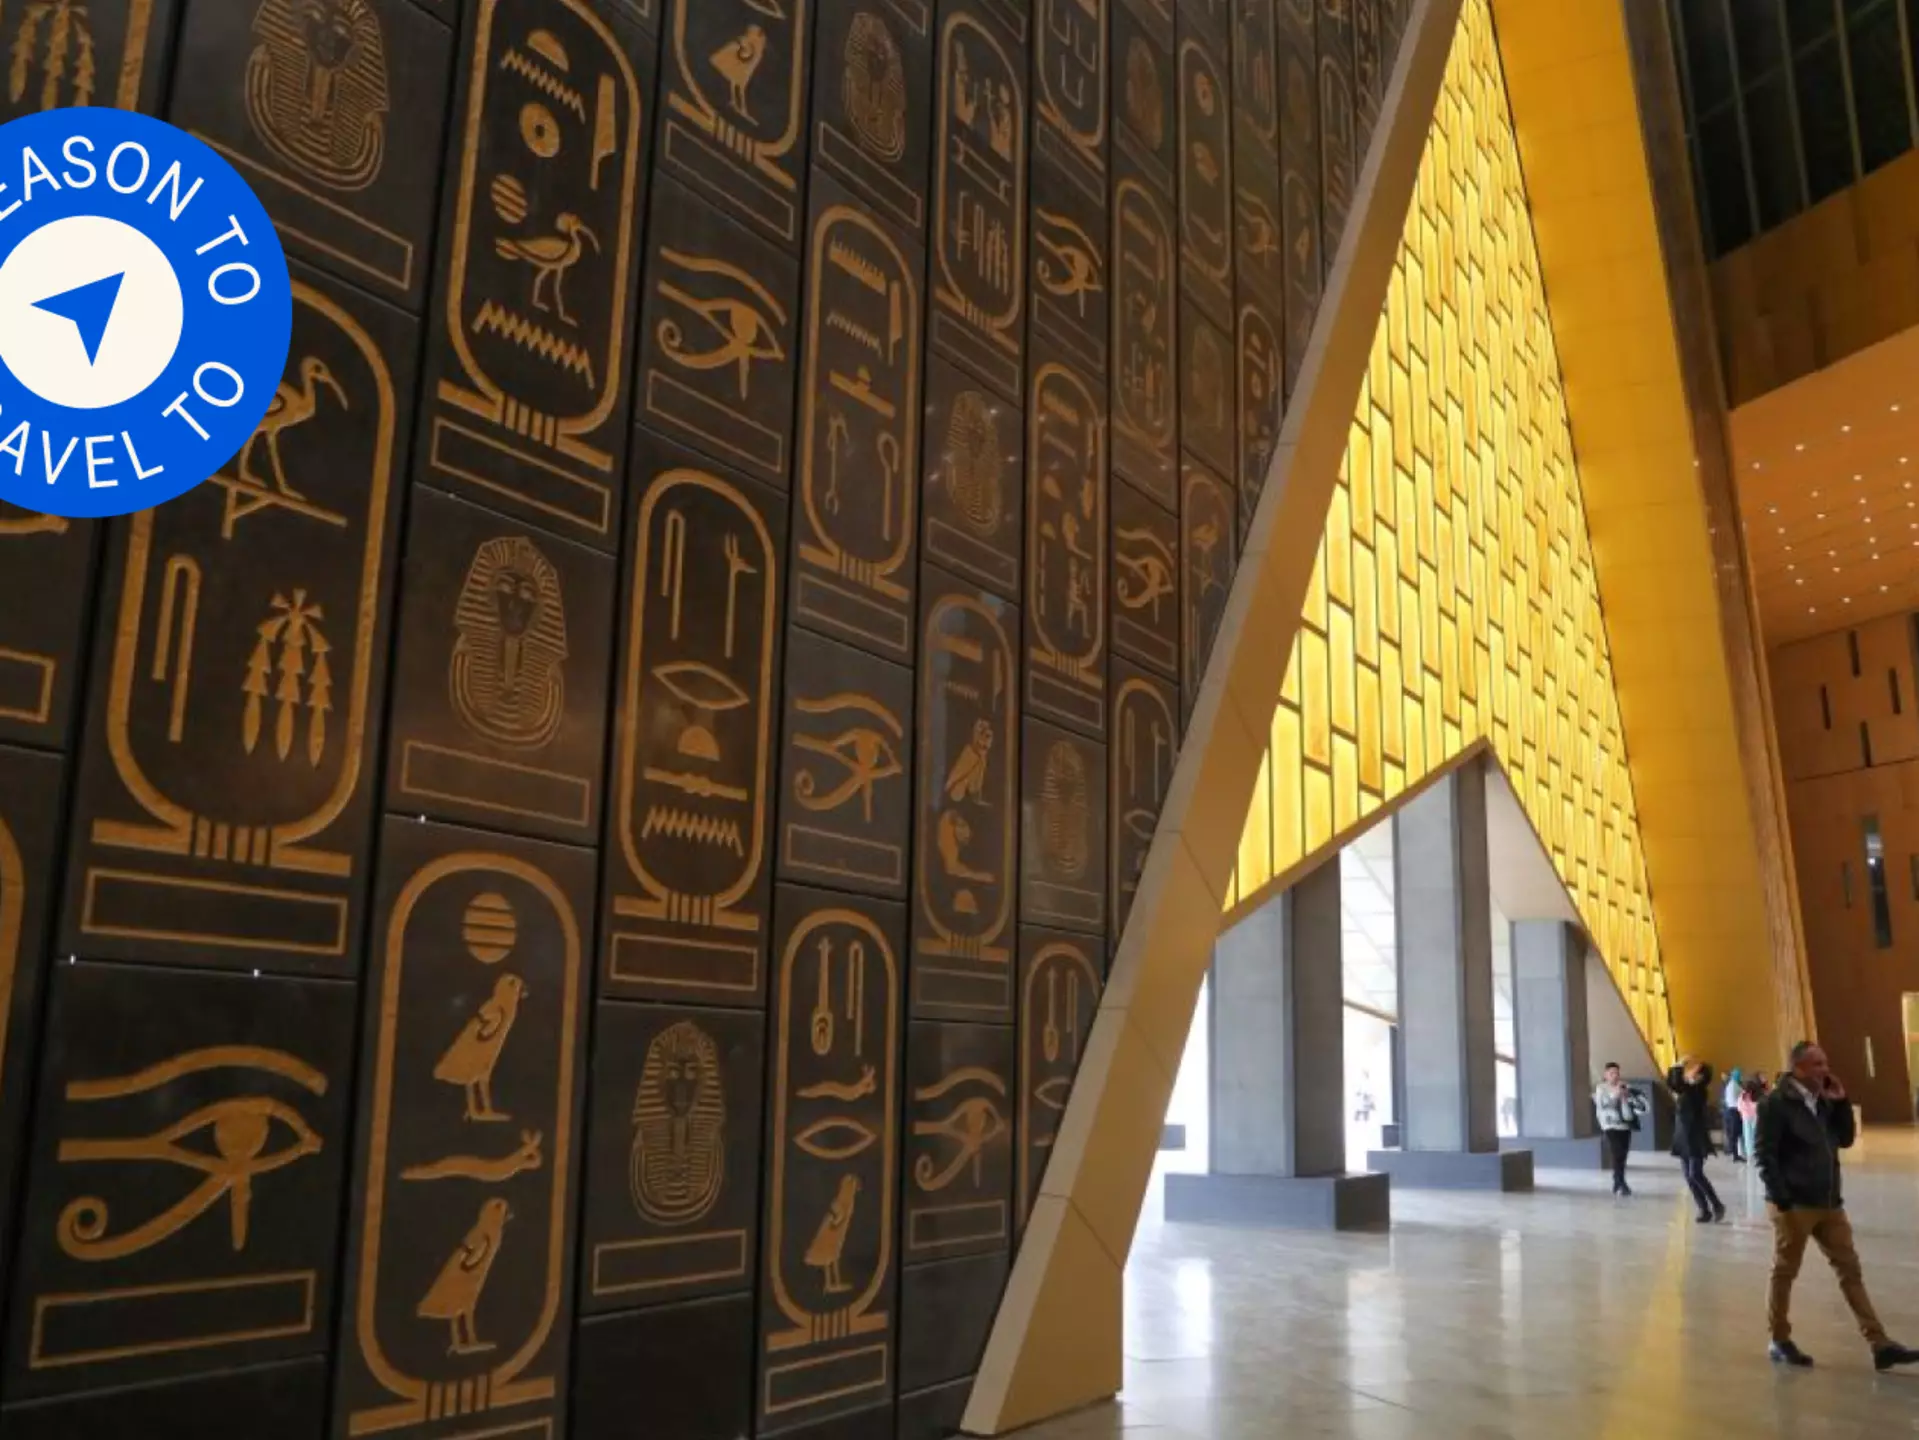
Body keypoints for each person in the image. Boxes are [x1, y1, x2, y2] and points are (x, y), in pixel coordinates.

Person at [1756, 1041, 1919, 1371]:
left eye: (1825, 1062)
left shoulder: (1822, 1101)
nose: (1825, 1070)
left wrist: (1841, 1102)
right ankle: (1779, 1338)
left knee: (1850, 1271)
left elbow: (1844, 1139)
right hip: (1795, 1204)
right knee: (1785, 1272)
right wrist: (1782, 1198)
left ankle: (1879, 1344)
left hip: (1830, 1202)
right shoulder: (1776, 1104)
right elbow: (1764, 1154)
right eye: (1817, 1064)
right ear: (1798, 1068)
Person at [1668, 1055, 1726, 1222]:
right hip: (1682, 1136)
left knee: (1695, 1173)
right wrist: (1678, 1066)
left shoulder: (1698, 1090)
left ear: (1701, 1076)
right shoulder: (1686, 1088)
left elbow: (1678, 1085)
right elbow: (1673, 1083)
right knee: (1688, 1176)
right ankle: (1703, 1209)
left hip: (1696, 1137)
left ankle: (1716, 1204)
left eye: (1694, 1071)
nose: (1690, 1073)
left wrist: (1679, 1068)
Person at [1594, 1062, 1647, 1196]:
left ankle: (1618, 1181)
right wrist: (1615, 1095)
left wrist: (1627, 1095)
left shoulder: (1624, 1086)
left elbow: (1632, 1104)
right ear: (1605, 1075)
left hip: (1625, 1124)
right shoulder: (1601, 1088)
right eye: (1611, 1073)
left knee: (1623, 1154)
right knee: (1617, 1152)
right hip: (1610, 1125)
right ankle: (1620, 1182)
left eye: (1617, 1073)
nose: (1615, 1076)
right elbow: (1603, 1105)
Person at [1722, 1066, 1747, 1162]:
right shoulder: (1733, 1085)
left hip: (1732, 1111)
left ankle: (1737, 1154)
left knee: (1736, 1133)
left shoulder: (1733, 1084)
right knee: (1735, 1134)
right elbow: (1738, 1097)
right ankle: (1735, 1155)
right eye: (1739, 1075)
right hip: (1734, 1111)